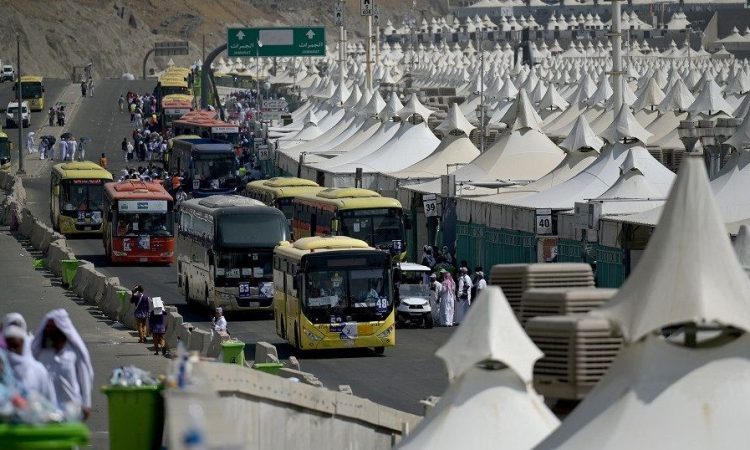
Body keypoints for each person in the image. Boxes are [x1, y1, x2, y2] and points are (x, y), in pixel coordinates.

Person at [32, 309, 94, 420]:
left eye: (52, 328)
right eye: (48, 328)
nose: (49, 331)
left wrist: (86, 403)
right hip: (46, 412)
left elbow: (85, 378)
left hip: (72, 410)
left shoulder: (74, 353)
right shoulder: (41, 353)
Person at [4, 323, 57, 406]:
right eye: (8, 346)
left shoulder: (38, 370)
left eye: (15, 346)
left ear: (23, 344)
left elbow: (50, 401)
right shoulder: (2, 369)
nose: (12, 350)